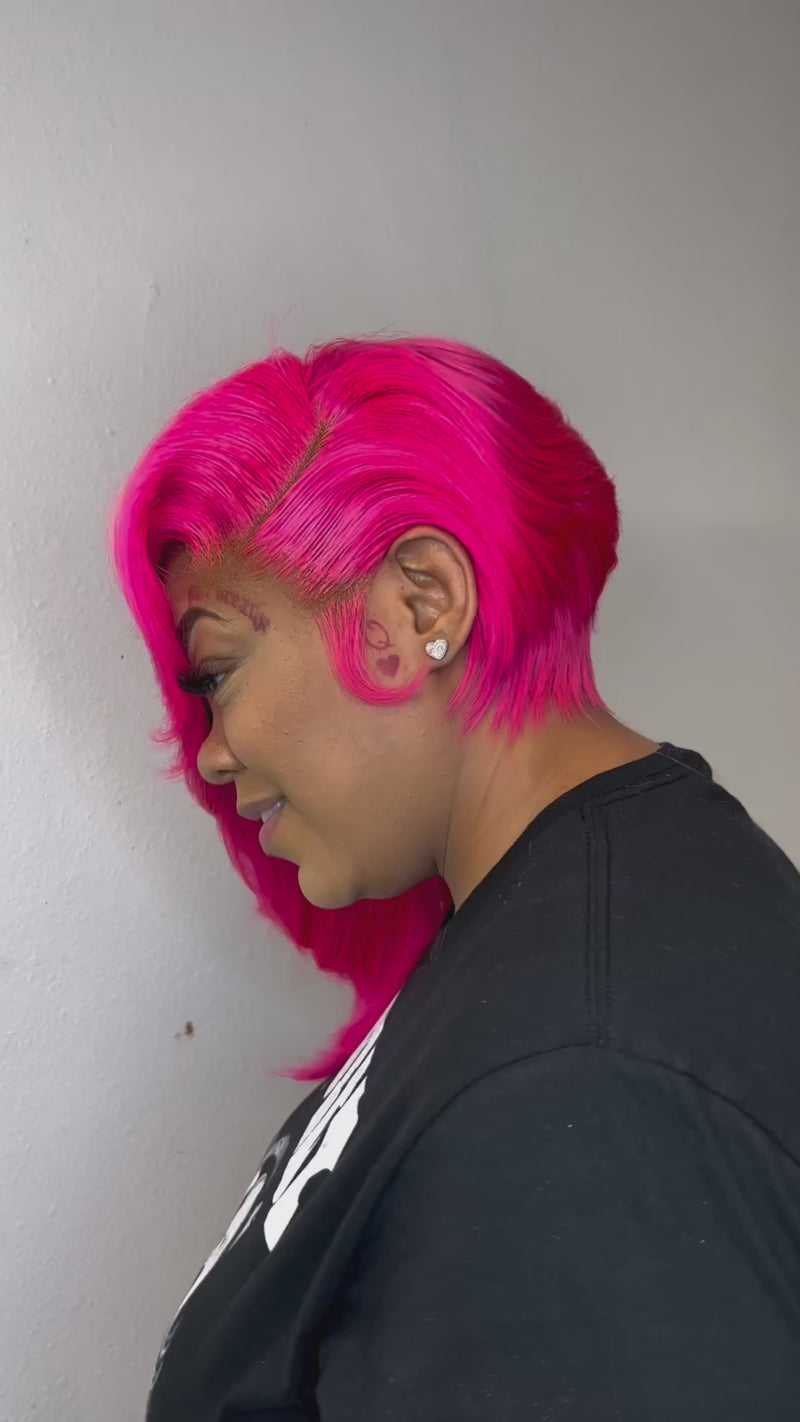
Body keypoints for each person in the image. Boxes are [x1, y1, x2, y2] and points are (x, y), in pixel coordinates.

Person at [110, 335, 800, 1421]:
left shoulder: (583, 1081)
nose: (212, 754)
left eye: (219, 671)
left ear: (421, 607)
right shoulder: (566, 932)